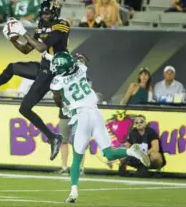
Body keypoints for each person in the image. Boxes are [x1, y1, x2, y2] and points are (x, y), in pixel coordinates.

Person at [0, 0, 70, 161]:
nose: (44, 16)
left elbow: (42, 47)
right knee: (12, 68)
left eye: (47, 13)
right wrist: (13, 39)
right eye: (42, 13)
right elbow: (26, 49)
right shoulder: (41, 25)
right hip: (44, 65)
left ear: (55, 13)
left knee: (24, 108)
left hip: (54, 70)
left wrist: (23, 32)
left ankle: (53, 138)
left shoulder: (62, 24)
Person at [49, 52, 150, 203]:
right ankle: (131, 151)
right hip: (96, 113)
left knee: (77, 156)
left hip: (81, 115)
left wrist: (64, 106)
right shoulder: (80, 69)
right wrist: (78, 58)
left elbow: (57, 97)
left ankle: (73, 192)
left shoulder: (57, 80)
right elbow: (83, 62)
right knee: (109, 153)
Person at [58, 53, 89, 176]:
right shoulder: (63, 77)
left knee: (79, 142)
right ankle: (64, 167)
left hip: (78, 113)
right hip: (66, 113)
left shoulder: (84, 79)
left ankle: (80, 168)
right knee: (64, 141)